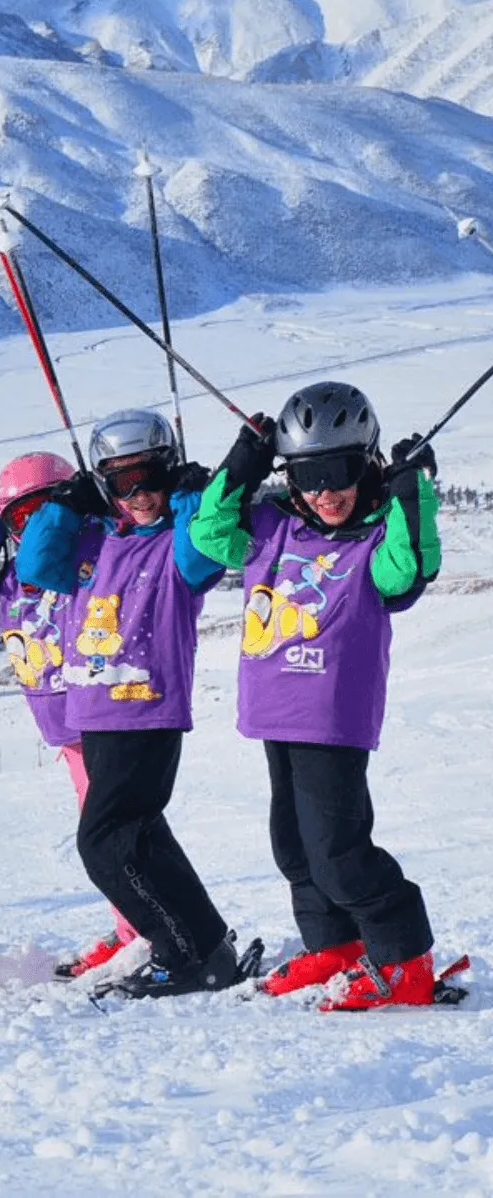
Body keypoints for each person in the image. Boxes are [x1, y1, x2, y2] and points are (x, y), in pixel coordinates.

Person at [190, 381, 440, 1010]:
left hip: (333, 720)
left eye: (341, 470)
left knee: (337, 852)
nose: (326, 491)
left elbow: (410, 570)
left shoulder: (375, 541)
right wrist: (241, 462)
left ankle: (403, 956)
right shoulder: (268, 527)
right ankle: (334, 944)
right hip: (275, 713)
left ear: (369, 463)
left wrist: (412, 493)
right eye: (309, 475)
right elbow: (208, 536)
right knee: (293, 845)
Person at [17, 410, 254, 998]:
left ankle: (185, 952)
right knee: (143, 838)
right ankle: (207, 942)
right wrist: (67, 505)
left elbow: (206, 554)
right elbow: (35, 564)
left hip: (145, 711)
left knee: (104, 844)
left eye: (151, 477)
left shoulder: (175, 548)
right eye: (122, 482)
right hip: (94, 714)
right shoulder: (93, 541)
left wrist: (191, 498)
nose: (140, 494)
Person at [0, 451, 138, 979]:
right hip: (68, 734)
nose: (34, 530)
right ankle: (132, 928)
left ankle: (144, 930)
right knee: (103, 840)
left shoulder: (95, 558)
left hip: (109, 721)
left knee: (116, 837)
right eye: (19, 520)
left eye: (45, 512)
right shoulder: (10, 584)